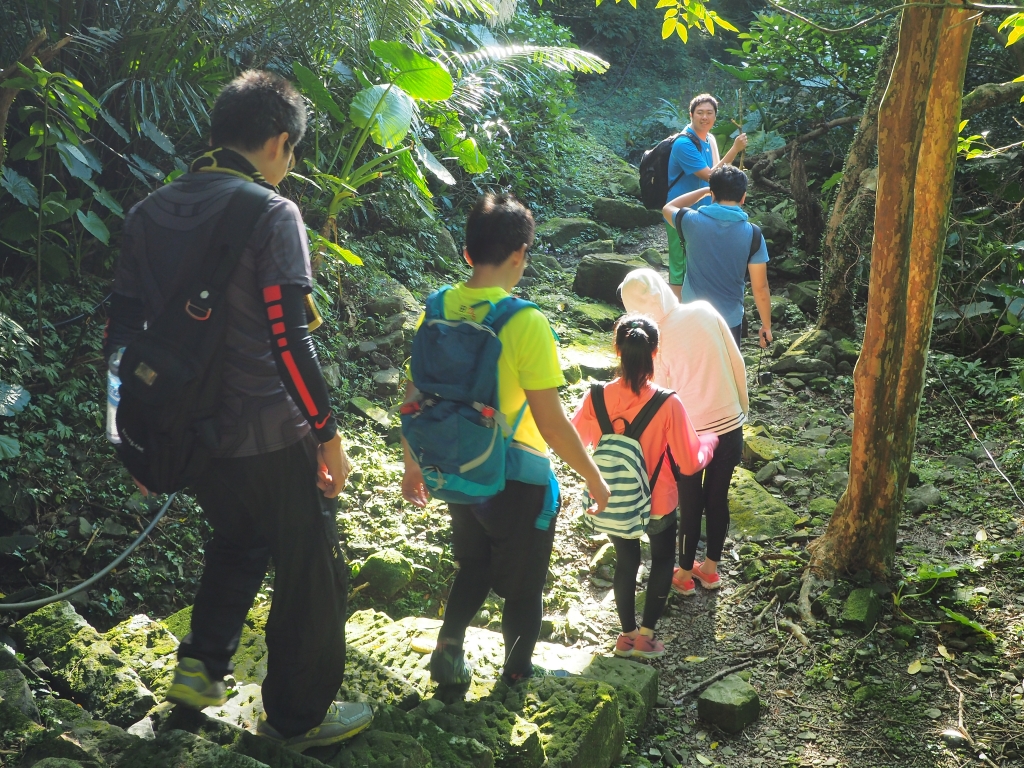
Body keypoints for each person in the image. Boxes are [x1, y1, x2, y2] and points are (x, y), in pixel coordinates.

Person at [104, 71, 372, 752]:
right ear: (280, 143)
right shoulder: (272, 212)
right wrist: (328, 433)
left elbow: (121, 339)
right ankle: (297, 716)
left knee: (237, 538)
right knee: (309, 562)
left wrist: (127, 437)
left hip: (188, 434)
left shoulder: (147, 212)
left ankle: (197, 677)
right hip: (270, 431)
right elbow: (289, 336)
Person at [401, 194, 611, 686]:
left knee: (472, 563)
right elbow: (553, 423)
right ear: (518, 254)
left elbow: (415, 396)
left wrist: (414, 463)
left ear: (469, 251)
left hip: (457, 466)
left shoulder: (435, 308)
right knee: (524, 587)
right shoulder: (525, 322)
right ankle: (516, 675)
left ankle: (448, 652)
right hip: (517, 478)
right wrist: (594, 478)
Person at [571, 315, 717, 658]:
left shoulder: (595, 396)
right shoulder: (668, 403)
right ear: (654, 351)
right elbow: (689, 461)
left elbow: (575, 441)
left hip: (615, 499)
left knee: (626, 562)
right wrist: (710, 442)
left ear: (618, 349)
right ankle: (647, 638)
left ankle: (625, 636)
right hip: (659, 501)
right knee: (663, 559)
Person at [619, 269, 748, 594]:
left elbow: (662, 399)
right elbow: (737, 362)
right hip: (730, 427)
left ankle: (685, 573)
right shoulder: (705, 310)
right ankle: (712, 569)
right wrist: (741, 410)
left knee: (690, 503)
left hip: (690, 438)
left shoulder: (654, 342)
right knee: (718, 499)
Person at [663, 163, 773, 349]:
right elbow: (760, 288)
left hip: (692, 316)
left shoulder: (690, 221)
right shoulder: (753, 235)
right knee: (725, 375)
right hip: (729, 322)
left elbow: (668, 207)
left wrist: (703, 191)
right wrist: (766, 326)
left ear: (713, 194)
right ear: (743, 197)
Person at [665, 94, 748, 298]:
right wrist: (735, 149)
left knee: (700, 259)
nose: (705, 117)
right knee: (680, 261)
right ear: (691, 114)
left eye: (709, 113)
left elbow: (717, 169)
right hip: (680, 209)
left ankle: (697, 304)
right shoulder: (683, 144)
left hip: (703, 210)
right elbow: (712, 176)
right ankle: (676, 309)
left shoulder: (709, 138)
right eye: (700, 112)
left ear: (715, 116)